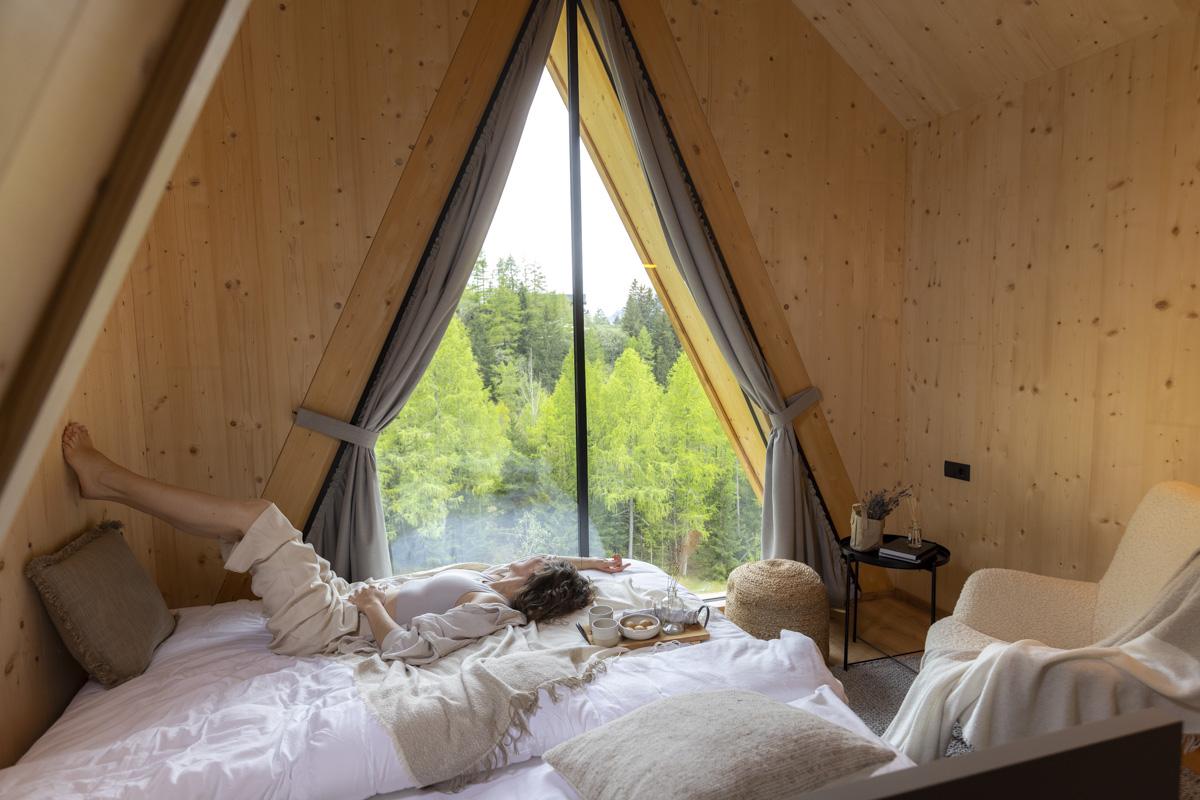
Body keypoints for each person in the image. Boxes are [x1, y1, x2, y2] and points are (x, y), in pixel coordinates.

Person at [60, 422, 627, 656]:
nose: (529, 558)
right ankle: (111, 485)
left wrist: (374, 606)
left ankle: (107, 479)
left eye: (535, 566)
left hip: (330, 624)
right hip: (340, 598)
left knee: (259, 517)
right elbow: (547, 560)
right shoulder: (494, 582)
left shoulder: (489, 610)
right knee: (246, 525)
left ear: (535, 584)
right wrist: (597, 562)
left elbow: (408, 649)